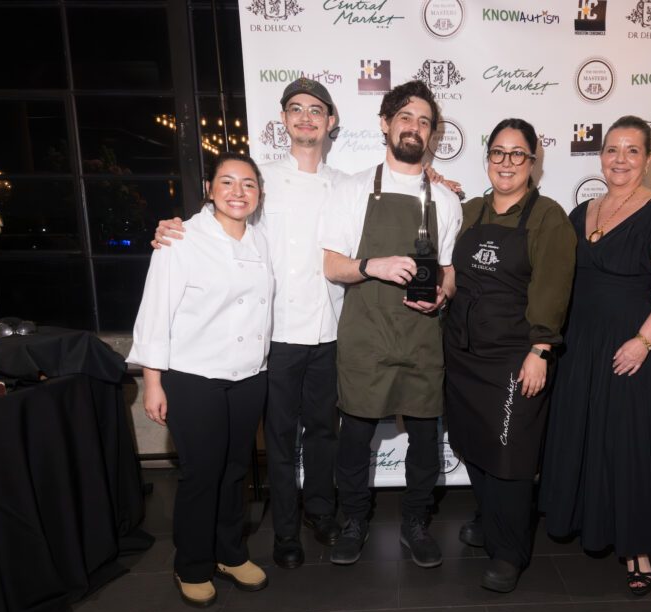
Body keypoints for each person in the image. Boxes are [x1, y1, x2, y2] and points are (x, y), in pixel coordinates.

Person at [153, 78, 459, 570]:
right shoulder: (262, 180)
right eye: (296, 110)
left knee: (323, 434)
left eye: (317, 111)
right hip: (275, 332)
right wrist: (177, 228)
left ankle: (322, 514)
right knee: (278, 439)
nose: (307, 119)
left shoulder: (346, 182)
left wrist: (437, 183)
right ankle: (286, 533)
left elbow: (421, 226)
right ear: (284, 119)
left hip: (333, 330)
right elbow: (224, 212)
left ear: (331, 121)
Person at [539, 115, 651, 597]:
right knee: (590, 438)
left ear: (650, 159)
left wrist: (644, 341)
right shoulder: (582, 211)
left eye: (632, 150)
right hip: (582, 346)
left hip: (633, 349)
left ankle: (637, 549)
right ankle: (593, 522)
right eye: (611, 150)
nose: (620, 159)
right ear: (600, 156)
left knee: (628, 445)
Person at [320, 79, 463, 568]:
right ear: (385, 124)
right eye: (405, 117)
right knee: (355, 438)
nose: (414, 127)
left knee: (425, 440)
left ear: (432, 133)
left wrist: (441, 295)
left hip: (422, 337)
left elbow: (448, 273)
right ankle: (354, 520)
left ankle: (415, 523)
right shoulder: (354, 188)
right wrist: (372, 266)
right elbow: (331, 264)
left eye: (424, 121)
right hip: (366, 335)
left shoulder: (445, 200)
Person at [128, 152, 273, 607]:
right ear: (210, 189)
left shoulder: (261, 241)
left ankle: (230, 553)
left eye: (248, 184)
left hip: (249, 375)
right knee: (201, 473)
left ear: (259, 194)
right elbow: (155, 313)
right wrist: (153, 381)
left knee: (235, 471)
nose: (238, 192)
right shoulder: (182, 239)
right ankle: (190, 563)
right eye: (227, 182)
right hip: (193, 377)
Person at [444, 118, 576, 592]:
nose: (506, 162)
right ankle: (490, 519)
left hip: (514, 356)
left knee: (510, 455)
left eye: (517, 154)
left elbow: (552, 288)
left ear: (533, 162)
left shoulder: (548, 217)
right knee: (475, 445)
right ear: (487, 159)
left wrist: (540, 349)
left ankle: (509, 551)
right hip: (462, 354)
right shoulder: (470, 211)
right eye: (498, 153)